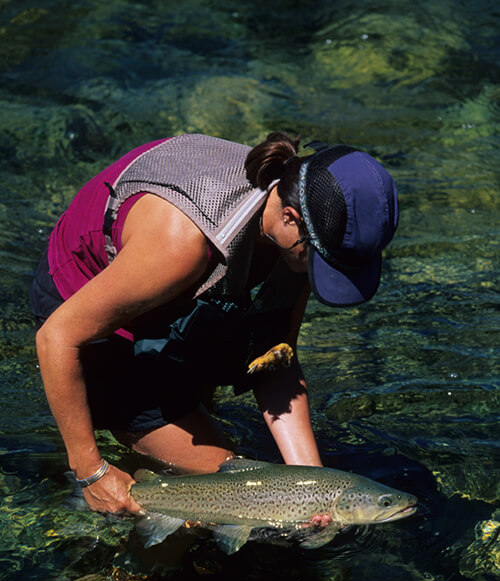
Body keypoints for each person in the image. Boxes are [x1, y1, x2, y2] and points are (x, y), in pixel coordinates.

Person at [30, 131, 399, 516]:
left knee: (247, 472)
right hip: (86, 304)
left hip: (172, 293)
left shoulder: (303, 228)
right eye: (320, 265)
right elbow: (56, 338)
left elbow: (273, 360)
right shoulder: (181, 245)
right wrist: (91, 472)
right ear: (289, 218)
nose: (318, 276)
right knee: (230, 493)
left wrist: (311, 484)